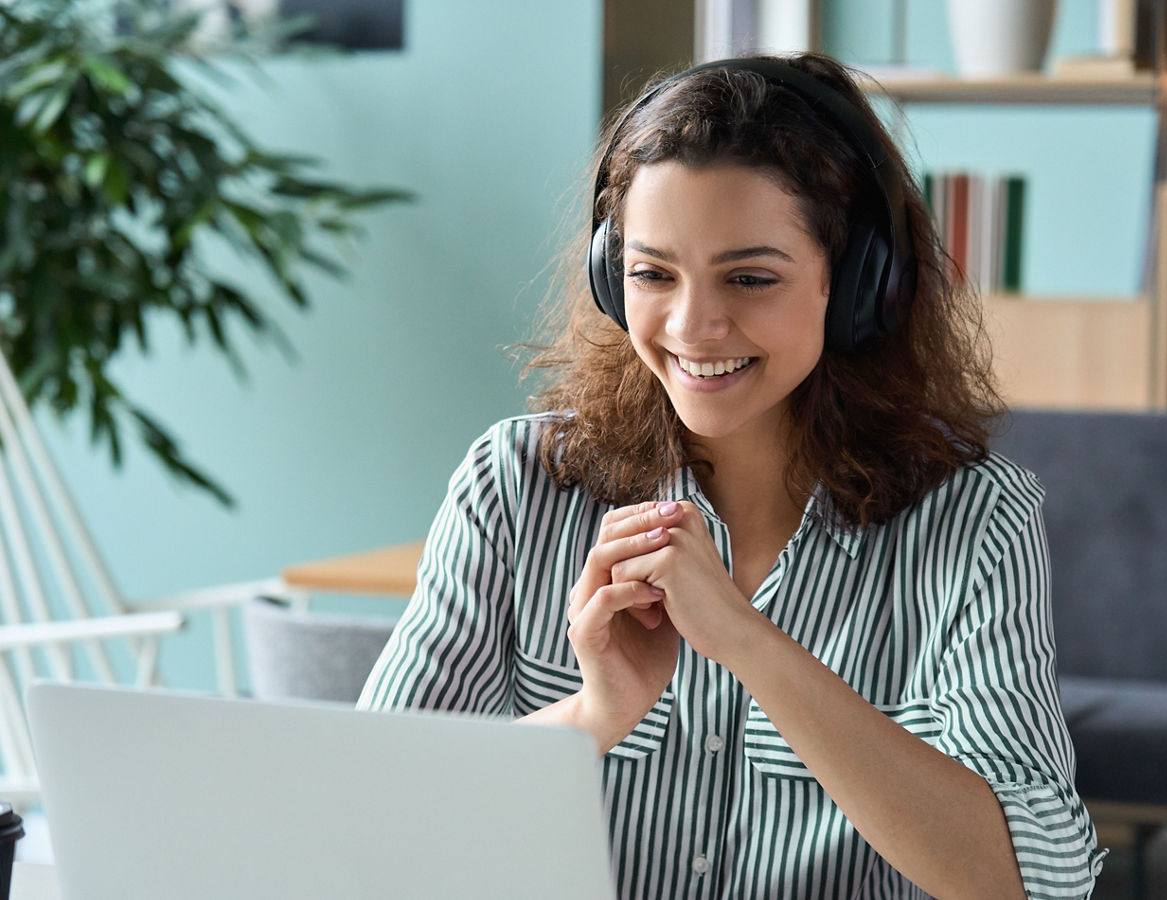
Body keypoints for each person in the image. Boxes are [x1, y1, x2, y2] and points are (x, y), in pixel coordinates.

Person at [359, 52, 1105, 899]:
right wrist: (590, 719)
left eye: (750, 278)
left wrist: (748, 645)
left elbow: (1034, 879)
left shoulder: (973, 522)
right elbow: (367, 817)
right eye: (651, 273)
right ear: (612, 275)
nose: (693, 326)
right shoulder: (515, 485)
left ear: (859, 285)